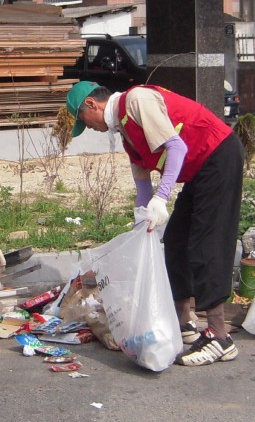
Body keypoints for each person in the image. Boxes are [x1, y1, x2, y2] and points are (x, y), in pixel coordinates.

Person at [65, 80, 244, 367]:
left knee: (206, 244)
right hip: (200, 168)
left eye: (84, 121)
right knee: (175, 240)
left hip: (218, 155)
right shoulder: (126, 134)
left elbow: (176, 148)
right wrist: (142, 223)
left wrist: (162, 198)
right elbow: (142, 187)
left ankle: (219, 336)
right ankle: (185, 322)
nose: (89, 128)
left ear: (91, 104)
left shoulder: (136, 101)